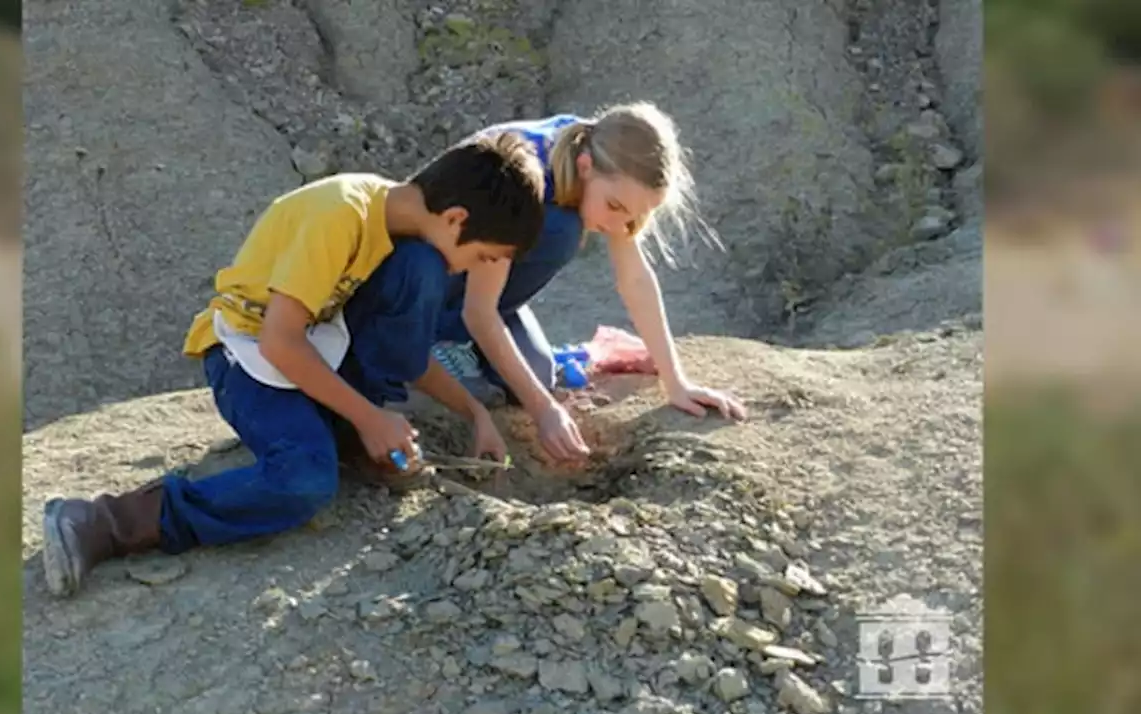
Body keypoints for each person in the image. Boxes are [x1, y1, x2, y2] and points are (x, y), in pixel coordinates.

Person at [41, 132, 546, 598]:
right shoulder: (342, 214)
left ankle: (347, 437)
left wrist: (474, 413)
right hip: (246, 355)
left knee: (418, 270)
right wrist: (371, 417)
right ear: (457, 218)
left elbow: (404, 354)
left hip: (318, 350)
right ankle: (105, 522)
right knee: (304, 482)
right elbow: (279, 343)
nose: (474, 269)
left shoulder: (407, 239)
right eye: (483, 255)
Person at [432, 102, 749, 463]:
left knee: (537, 373)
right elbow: (479, 312)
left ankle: (461, 344)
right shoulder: (524, 179)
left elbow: (634, 279)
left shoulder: (598, 153)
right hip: (425, 279)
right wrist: (545, 412)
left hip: (482, 289)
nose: (618, 225)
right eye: (614, 207)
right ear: (585, 168)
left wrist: (676, 383)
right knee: (561, 230)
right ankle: (441, 336)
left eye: (634, 215)